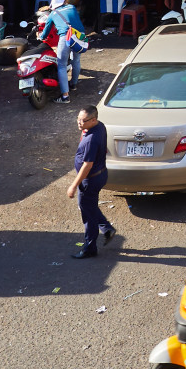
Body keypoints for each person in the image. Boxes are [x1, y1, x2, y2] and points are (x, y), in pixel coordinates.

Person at [67, 105, 115, 258]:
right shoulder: (100, 126)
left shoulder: (91, 140)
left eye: (83, 121)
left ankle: (90, 248)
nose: (79, 123)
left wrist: (74, 185)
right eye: (78, 119)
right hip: (100, 175)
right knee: (90, 205)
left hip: (90, 179)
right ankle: (106, 228)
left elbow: (87, 165)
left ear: (93, 120)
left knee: (87, 213)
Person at [48, 0, 89, 105]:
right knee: (76, 60)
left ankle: (65, 96)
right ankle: (73, 84)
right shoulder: (72, 7)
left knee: (61, 65)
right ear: (64, 2)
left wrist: (40, 37)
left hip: (66, 38)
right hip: (79, 36)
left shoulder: (52, 14)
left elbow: (46, 32)